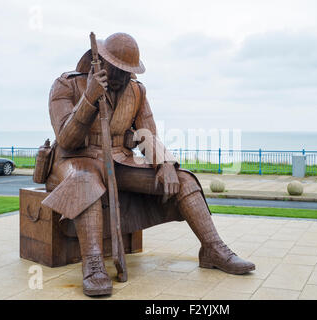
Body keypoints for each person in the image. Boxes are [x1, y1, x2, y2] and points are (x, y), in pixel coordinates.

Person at [43, 32, 255, 296]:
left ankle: (213, 248)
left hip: (119, 160)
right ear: (103, 60)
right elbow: (66, 139)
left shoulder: (136, 91)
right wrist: (89, 99)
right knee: (86, 183)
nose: (122, 77)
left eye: (127, 71)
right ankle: (94, 264)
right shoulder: (67, 85)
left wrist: (164, 163)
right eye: (118, 70)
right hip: (76, 161)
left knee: (184, 179)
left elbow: (147, 134)